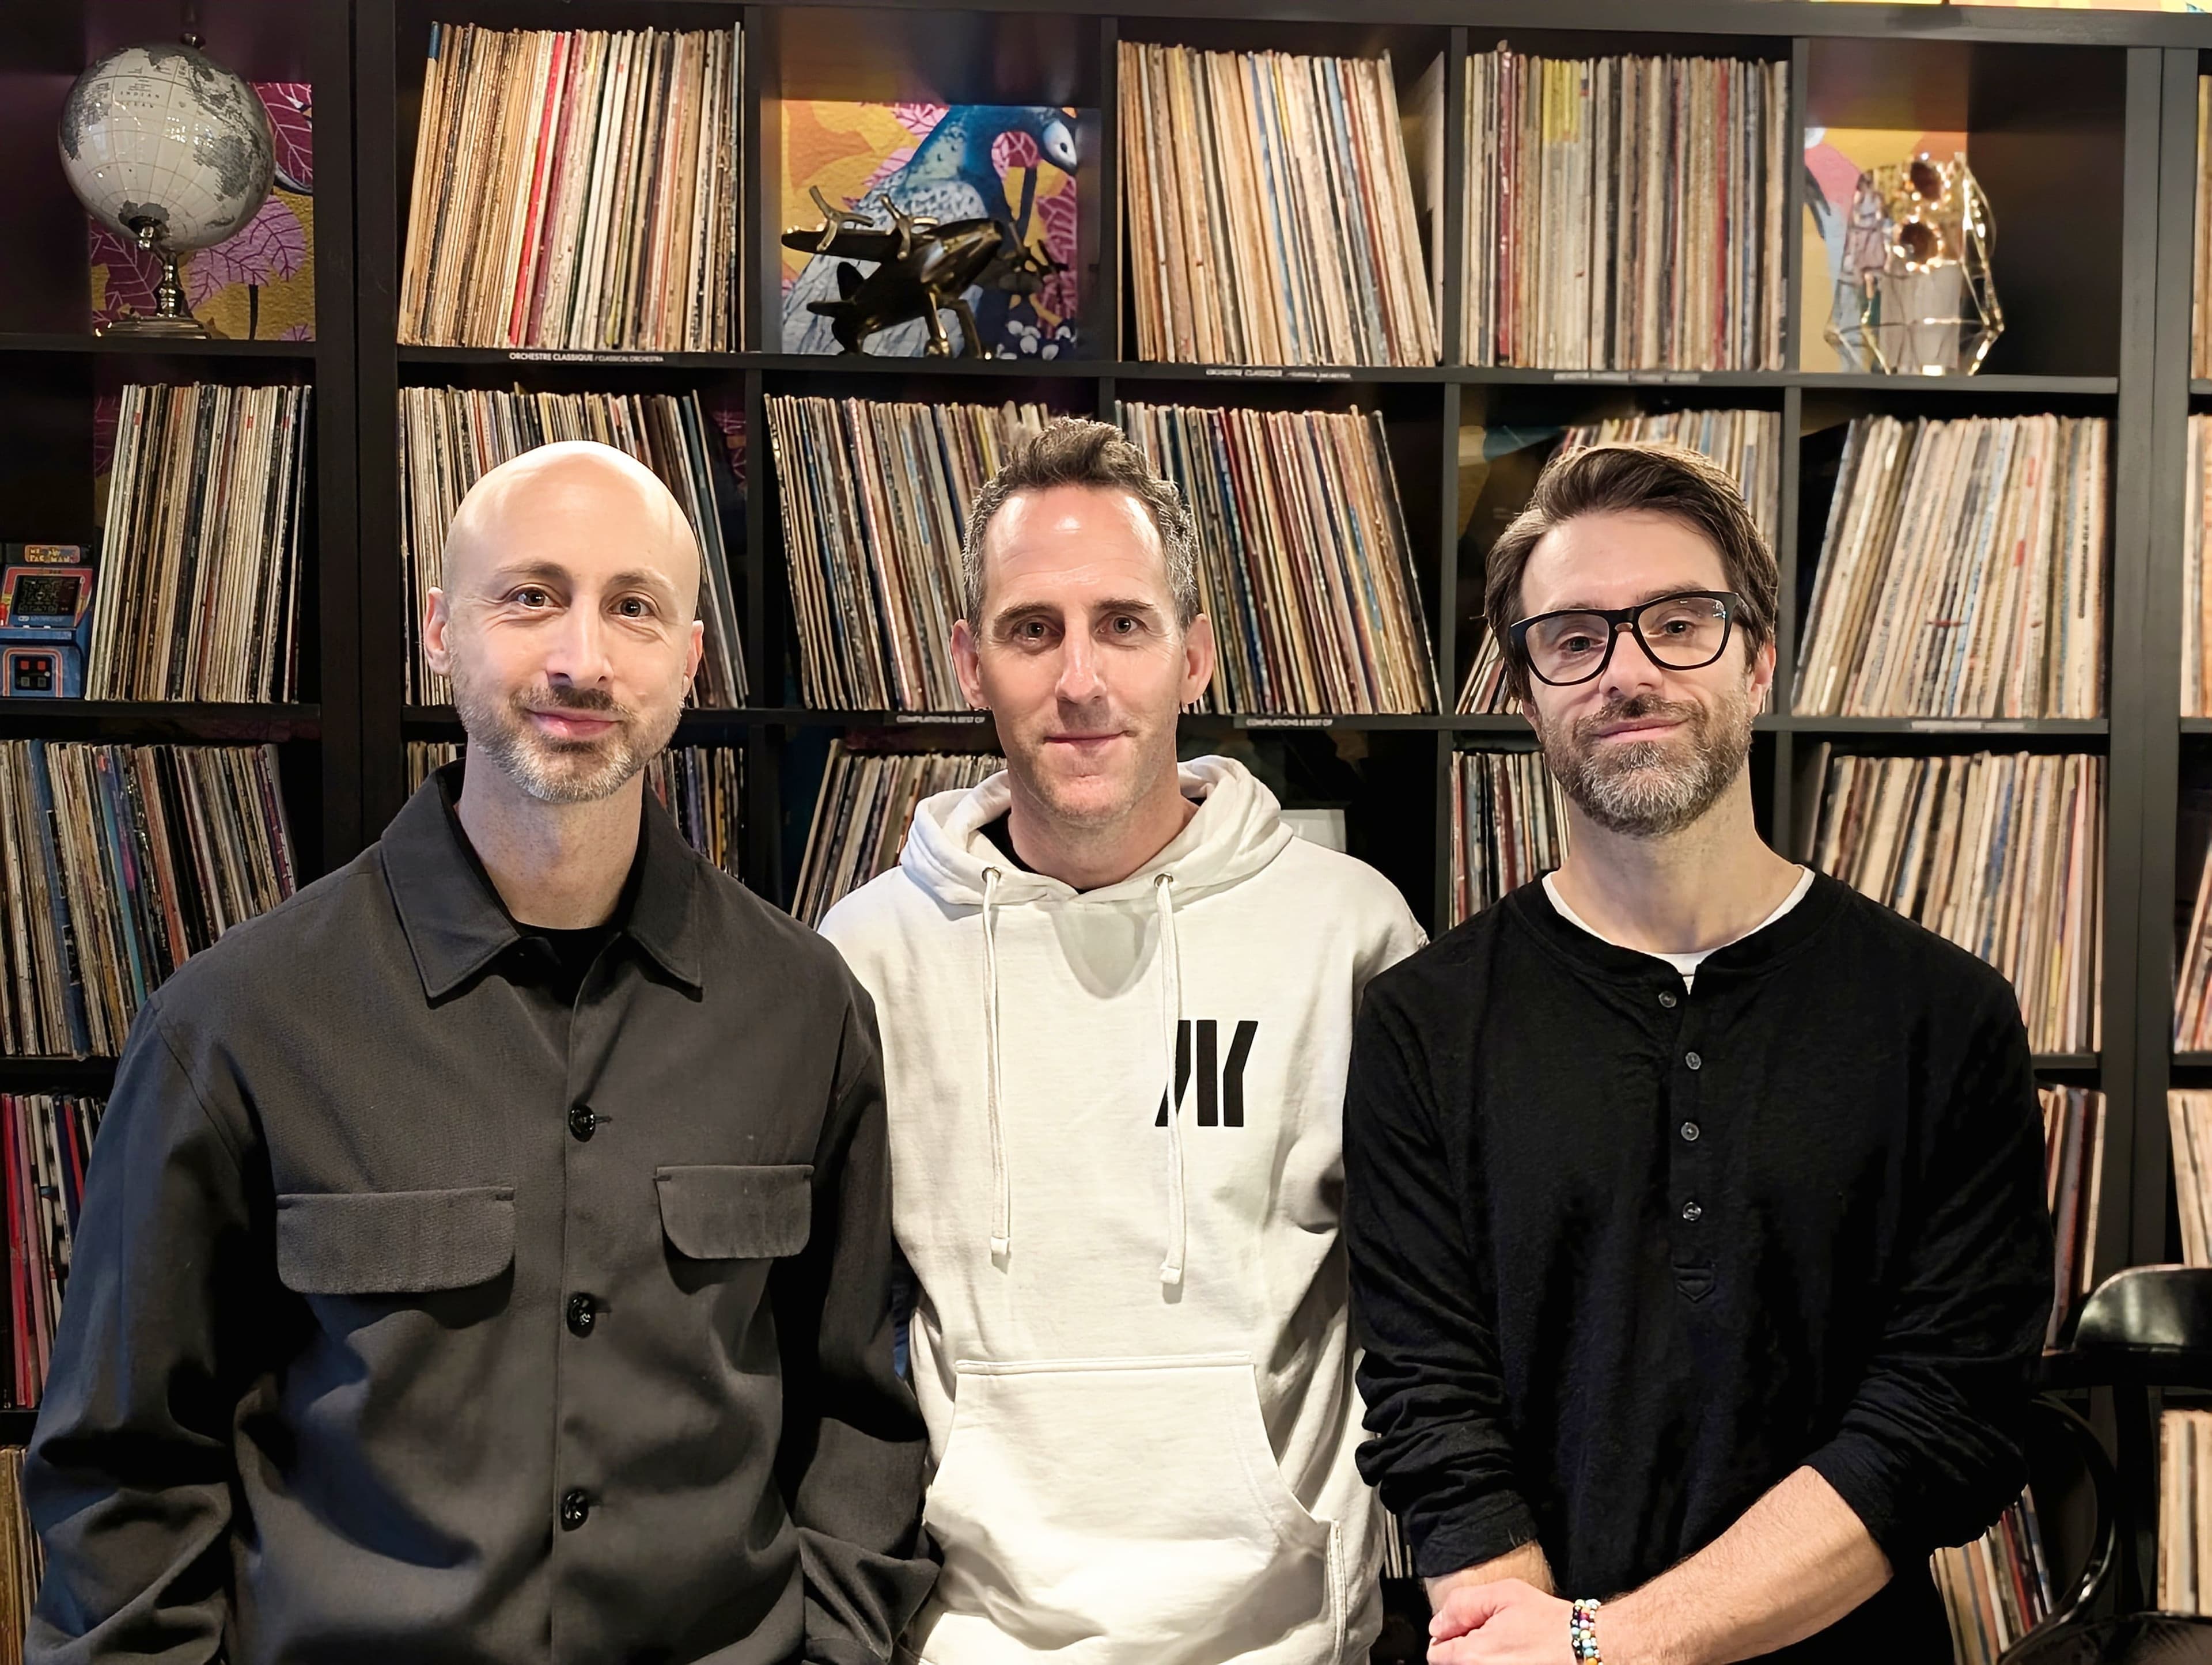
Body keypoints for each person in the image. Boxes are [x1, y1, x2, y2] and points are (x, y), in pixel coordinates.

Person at [25, 441, 935, 1664]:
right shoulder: (236, 1024)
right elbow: (127, 1474)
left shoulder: (805, 1010)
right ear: (441, 631)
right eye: (530, 597)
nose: (581, 658)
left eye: (633, 608)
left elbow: (859, 1417)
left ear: (689, 662)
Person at [1343, 442, 2054, 1664]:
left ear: (1759, 660)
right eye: (1574, 638)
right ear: (1524, 694)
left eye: (1680, 623)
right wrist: (1548, 1649)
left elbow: (1943, 1417)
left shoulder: (1945, 1017)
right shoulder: (1421, 1025)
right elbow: (1431, 1413)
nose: (1627, 672)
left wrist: (1610, 1646)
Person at [820, 418, 1425, 1664]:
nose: (1080, 678)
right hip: (967, 1643)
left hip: (1286, 1645)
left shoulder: (1349, 936)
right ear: (969, 662)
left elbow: (1438, 1325)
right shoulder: (868, 957)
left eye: (1125, 625)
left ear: (1194, 656)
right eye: (1032, 629)